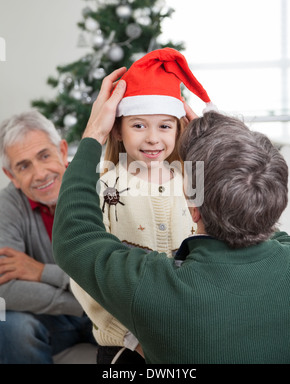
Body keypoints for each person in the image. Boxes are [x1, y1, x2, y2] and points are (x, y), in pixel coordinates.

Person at [53, 67, 290, 364]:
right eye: (139, 125)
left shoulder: (160, 292)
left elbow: (76, 243)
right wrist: (223, 148)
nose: (153, 138)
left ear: (194, 209)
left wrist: (92, 135)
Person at [69, 48, 215, 364]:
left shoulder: (196, 180)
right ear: (118, 129)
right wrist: (131, 338)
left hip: (192, 335)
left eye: (164, 126)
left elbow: (218, 249)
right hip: (125, 347)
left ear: (178, 128)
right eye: (138, 125)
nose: (152, 139)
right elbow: (83, 270)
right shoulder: (103, 184)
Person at [0, 110, 96, 364]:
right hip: (52, 321)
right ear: (11, 176)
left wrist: (41, 271)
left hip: (106, 314)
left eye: (44, 155)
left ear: (63, 151)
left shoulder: (98, 186)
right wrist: (79, 305)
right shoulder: (6, 206)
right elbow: (4, 288)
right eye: (24, 165)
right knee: (9, 327)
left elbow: (110, 277)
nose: (41, 173)